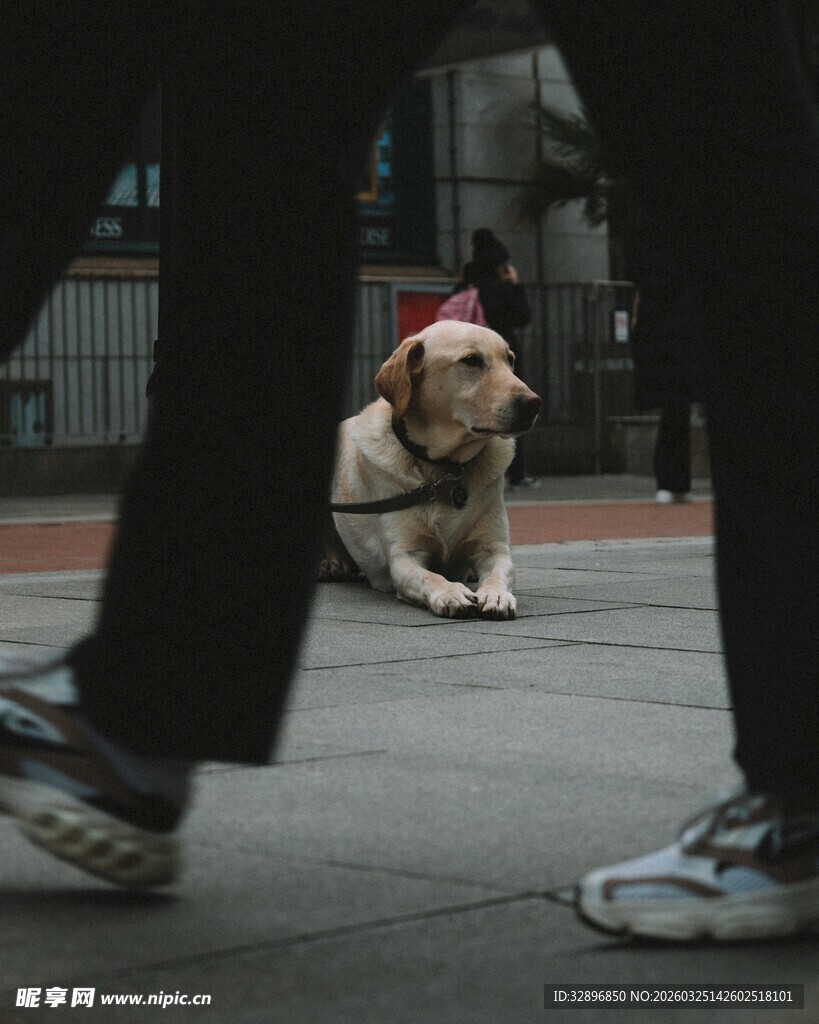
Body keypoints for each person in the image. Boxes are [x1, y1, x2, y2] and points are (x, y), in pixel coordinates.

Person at [0, 3, 815, 940]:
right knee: (727, 148)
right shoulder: (394, 401)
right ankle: (135, 713)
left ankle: (136, 717)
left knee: (258, 131)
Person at [629, 209, 704, 504]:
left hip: (659, 332)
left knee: (673, 410)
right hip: (683, 329)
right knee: (679, 409)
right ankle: (677, 483)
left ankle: (670, 482)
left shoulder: (647, 245)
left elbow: (638, 286)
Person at [456, 228, 537, 488]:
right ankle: (516, 471)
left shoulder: (465, 284)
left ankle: (469, 470)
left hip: (468, 358)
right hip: (503, 356)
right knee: (512, 410)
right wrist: (514, 286)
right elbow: (523, 316)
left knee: (473, 413)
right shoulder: (501, 287)